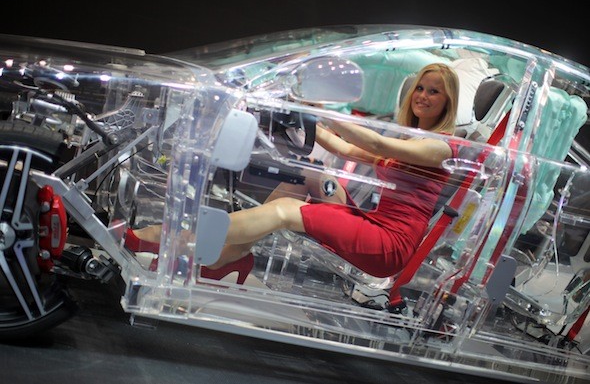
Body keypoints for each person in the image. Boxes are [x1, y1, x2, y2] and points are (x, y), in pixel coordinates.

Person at [125, 62, 460, 286]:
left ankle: (169, 239)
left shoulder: (441, 149)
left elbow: (373, 141)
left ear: (448, 102)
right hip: (376, 225)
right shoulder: (408, 138)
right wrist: (295, 116)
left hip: (390, 244)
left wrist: (319, 109)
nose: (423, 97)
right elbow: (345, 148)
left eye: (434, 91)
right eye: (420, 88)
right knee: (304, 177)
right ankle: (229, 257)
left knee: (285, 213)